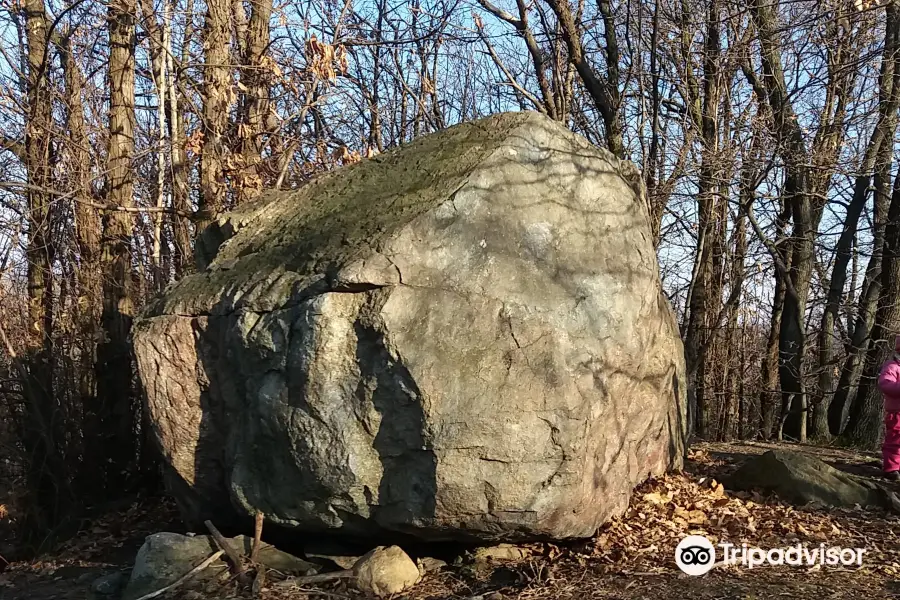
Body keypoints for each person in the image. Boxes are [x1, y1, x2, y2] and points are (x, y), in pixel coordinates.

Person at [880, 335, 900, 480]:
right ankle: (891, 468)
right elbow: (885, 383)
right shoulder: (892, 366)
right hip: (896, 411)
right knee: (894, 440)